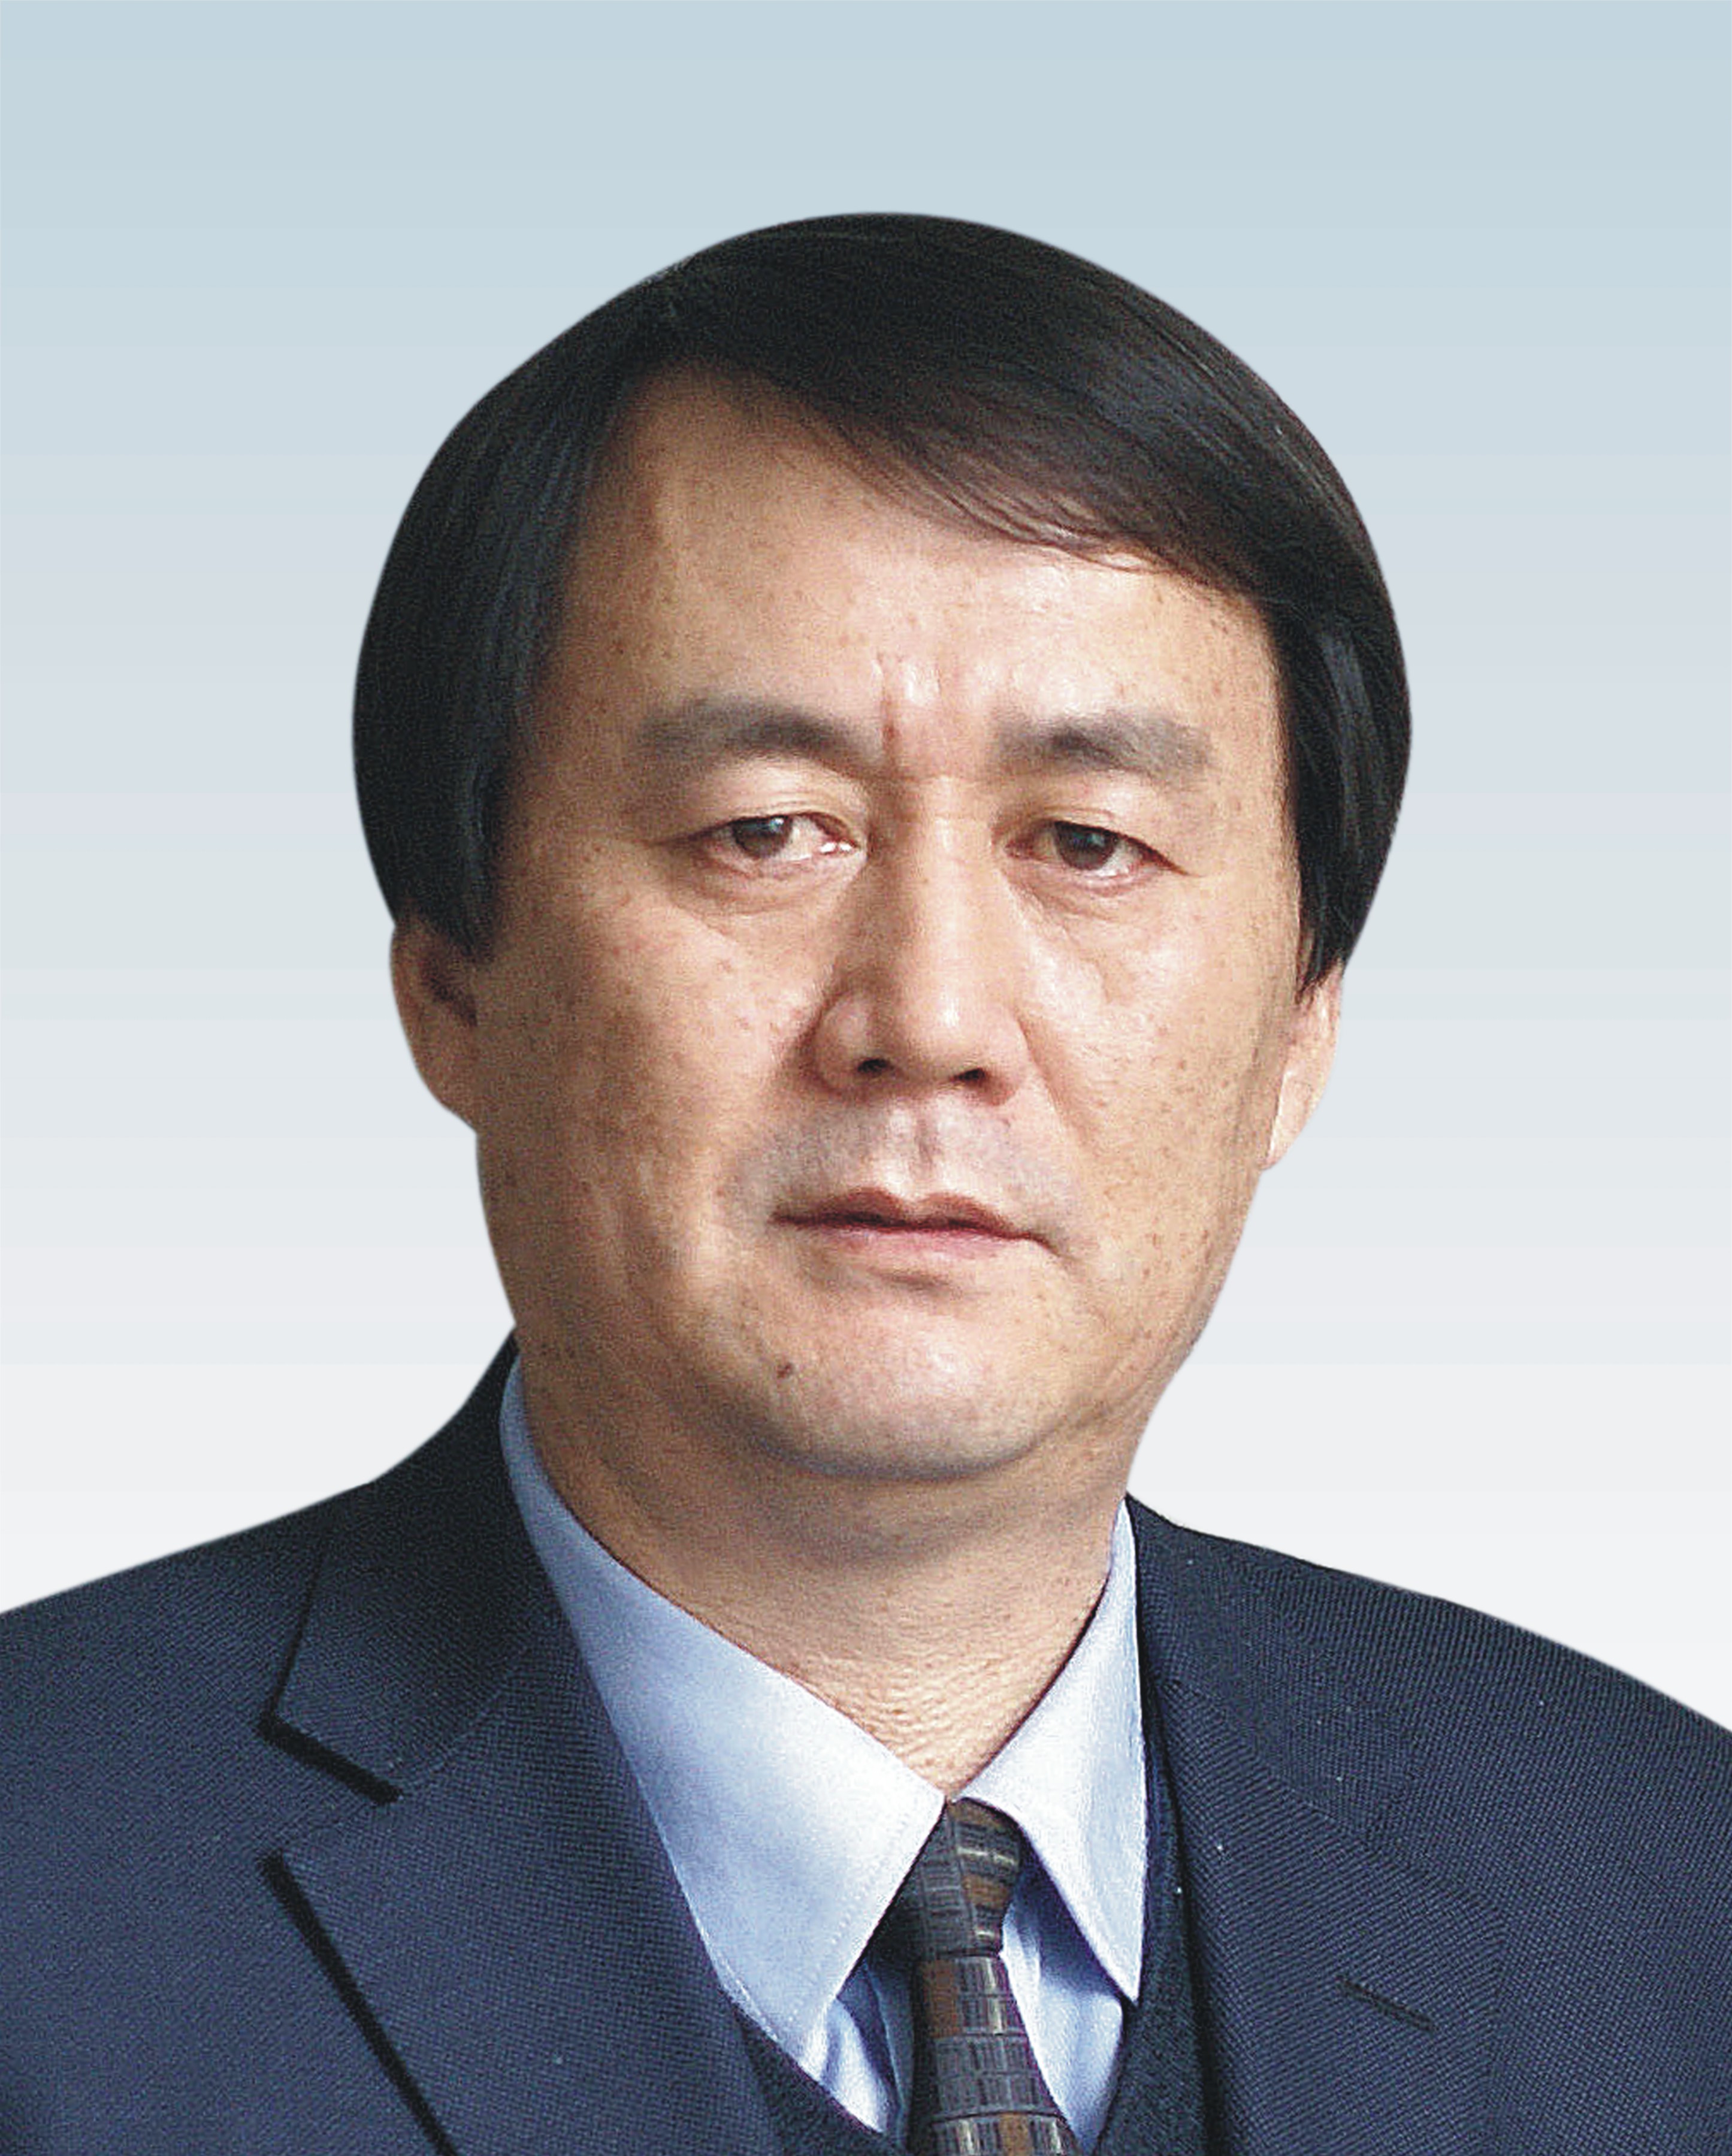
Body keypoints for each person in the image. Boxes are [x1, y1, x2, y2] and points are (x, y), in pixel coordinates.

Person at [2, 214, 1725, 2156]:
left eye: (1085, 842)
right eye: (766, 829)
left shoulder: (1664, 1894)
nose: (927, 1017)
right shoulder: (41, 1908)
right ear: (454, 985)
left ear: (1298, 1031)